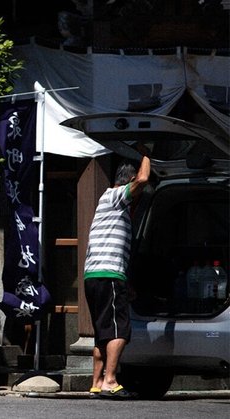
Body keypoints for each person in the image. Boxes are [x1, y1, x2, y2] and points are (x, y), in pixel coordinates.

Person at [84, 145, 150, 400]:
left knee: (103, 332)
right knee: (120, 331)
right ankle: (111, 380)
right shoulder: (115, 196)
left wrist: (127, 282)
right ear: (128, 181)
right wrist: (147, 153)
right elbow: (143, 179)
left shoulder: (109, 204)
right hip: (108, 274)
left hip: (97, 275)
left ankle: (96, 382)